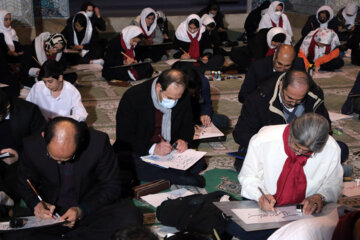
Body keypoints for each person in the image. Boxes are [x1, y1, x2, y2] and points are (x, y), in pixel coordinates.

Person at [4, 117, 143, 240]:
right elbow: (25, 182)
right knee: (11, 232)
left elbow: (112, 187)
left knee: (131, 216)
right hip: (50, 217)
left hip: (89, 210)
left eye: (68, 158)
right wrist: (36, 204)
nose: (60, 162)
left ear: (80, 143)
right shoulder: (32, 145)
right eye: (54, 157)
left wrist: (81, 210)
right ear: (44, 136)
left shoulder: (98, 143)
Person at [235, 113, 343, 240]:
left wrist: (319, 196)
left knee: (336, 230)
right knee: (237, 228)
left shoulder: (331, 148)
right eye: (296, 146)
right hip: (267, 207)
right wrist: (260, 195)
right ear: (291, 131)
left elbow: (333, 183)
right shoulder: (264, 140)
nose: (298, 153)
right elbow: (248, 176)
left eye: (307, 152)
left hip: (303, 211)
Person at [113, 69, 206, 187]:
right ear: (158, 87)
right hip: (140, 150)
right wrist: (153, 148)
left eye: (177, 98)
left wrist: (183, 140)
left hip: (169, 150)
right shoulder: (134, 96)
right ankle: (179, 177)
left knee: (200, 162)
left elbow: (187, 125)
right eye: (170, 98)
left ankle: (168, 174)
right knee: (123, 161)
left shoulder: (183, 96)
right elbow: (124, 137)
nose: (174, 102)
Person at [233, 70, 330, 151]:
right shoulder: (258, 99)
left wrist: (306, 144)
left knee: (338, 149)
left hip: (303, 146)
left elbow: (325, 126)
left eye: (299, 100)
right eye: (290, 98)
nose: (293, 103)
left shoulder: (314, 96)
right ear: (281, 86)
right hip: (271, 147)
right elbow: (241, 133)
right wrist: (275, 145)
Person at [0, 89, 46, 216]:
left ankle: (9, 200)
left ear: (7, 106)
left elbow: (41, 144)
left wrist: (19, 155)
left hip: (20, 159)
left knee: (17, 178)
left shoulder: (29, 111)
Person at [237, 44, 305, 103]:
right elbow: (243, 96)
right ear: (274, 57)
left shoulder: (298, 65)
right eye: (279, 64)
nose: (282, 69)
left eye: (287, 66)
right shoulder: (258, 67)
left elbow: (307, 90)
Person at [172, 62, 230, 130]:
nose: (193, 95)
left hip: (196, 114)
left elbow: (207, 104)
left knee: (224, 121)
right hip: (177, 116)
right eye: (190, 93)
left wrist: (206, 113)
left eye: (194, 93)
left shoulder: (203, 82)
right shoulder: (173, 86)